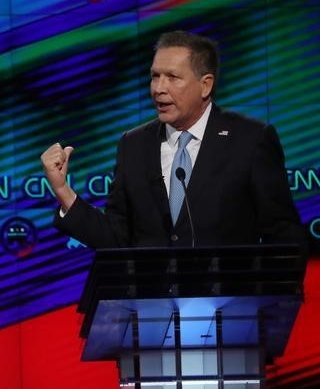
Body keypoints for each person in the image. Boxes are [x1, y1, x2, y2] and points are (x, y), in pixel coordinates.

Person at [40, 30, 306, 251]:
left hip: (227, 307)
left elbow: (284, 235)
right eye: (155, 76)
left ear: (206, 85)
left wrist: (269, 306)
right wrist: (63, 191)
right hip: (151, 309)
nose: (159, 88)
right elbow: (116, 239)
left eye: (172, 77)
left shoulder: (251, 140)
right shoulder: (134, 145)